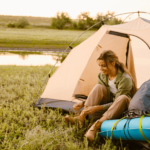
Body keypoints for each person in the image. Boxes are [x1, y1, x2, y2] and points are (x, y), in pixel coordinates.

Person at [64, 50, 137, 142]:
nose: (101, 68)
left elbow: (117, 102)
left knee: (122, 98)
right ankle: (81, 117)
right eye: (99, 66)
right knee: (99, 87)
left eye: (104, 66)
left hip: (119, 109)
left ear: (113, 63)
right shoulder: (102, 75)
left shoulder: (125, 79)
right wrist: (83, 103)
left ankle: (95, 127)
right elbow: (98, 94)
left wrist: (97, 108)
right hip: (106, 108)